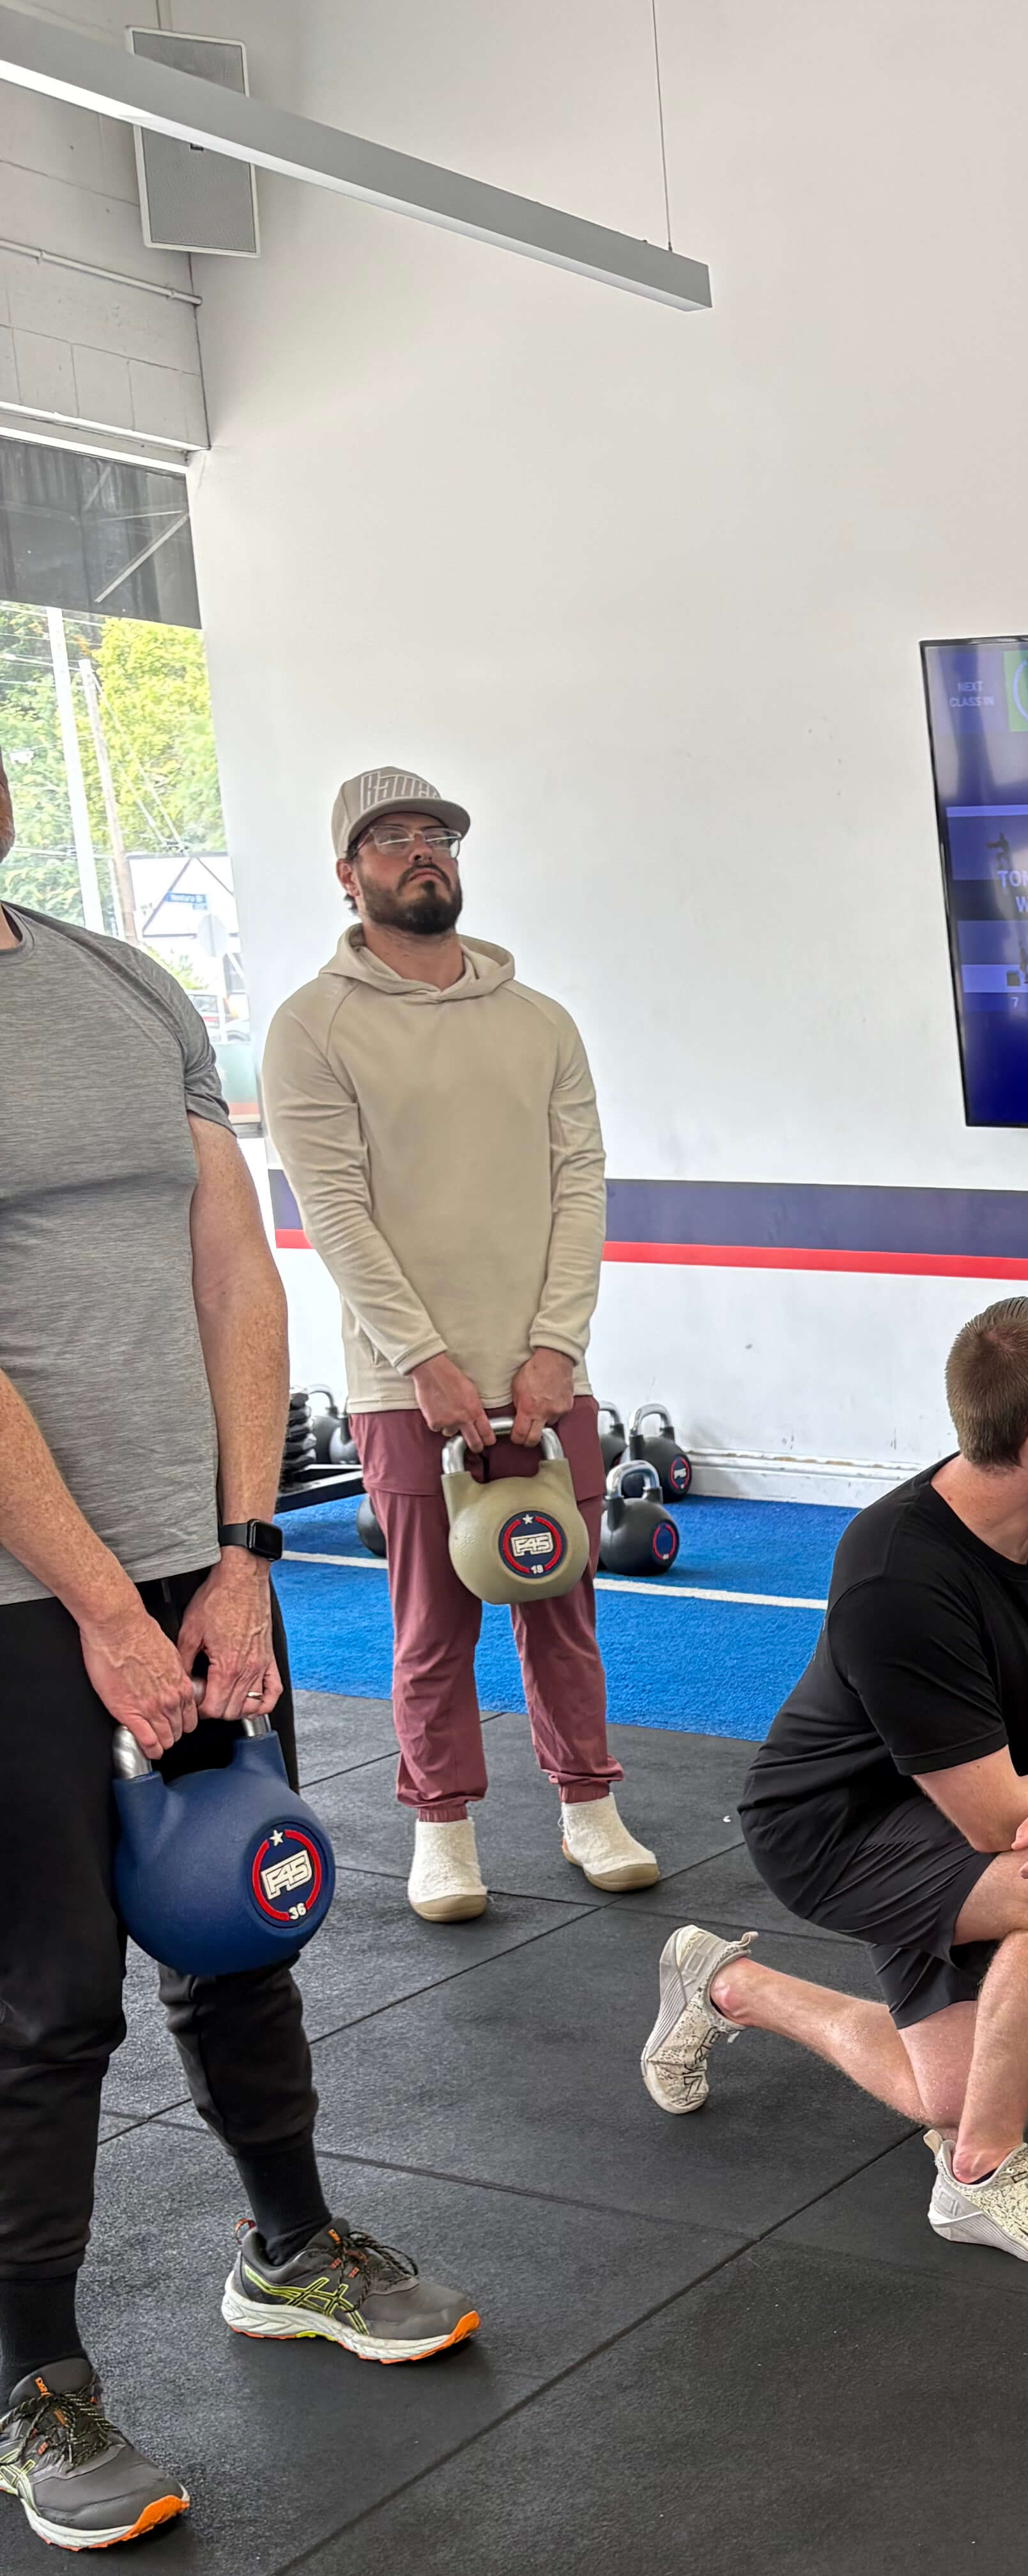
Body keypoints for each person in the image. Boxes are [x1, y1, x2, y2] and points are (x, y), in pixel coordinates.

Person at [0, 760, 479, 2556]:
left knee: (239, 1921)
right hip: (19, 1598)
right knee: (49, 1993)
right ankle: (34, 2378)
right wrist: (105, 1611)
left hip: (189, 1560)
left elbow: (236, 1267)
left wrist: (242, 1551)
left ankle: (289, 2244)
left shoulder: (121, 984)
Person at [641, 1296, 1028, 2267]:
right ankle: (981, 2177)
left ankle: (725, 1983)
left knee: (951, 2092)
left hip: (955, 1804)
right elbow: (1003, 1814)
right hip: (833, 1831)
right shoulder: (895, 1573)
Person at [261, 767, 657, 1925]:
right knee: (433, 1624)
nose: (421, 851)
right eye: (392, 839)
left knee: (562, 1604)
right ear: (349, 875)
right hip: (405, 1386)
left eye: (436, 834)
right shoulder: (311, 1027)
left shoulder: (539, 1022)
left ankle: (589, 1806)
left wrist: (555, 1347)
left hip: (544, 1372)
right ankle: (441, 1827)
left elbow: (579, 1188)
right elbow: (335, 1212)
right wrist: (423, 1359)